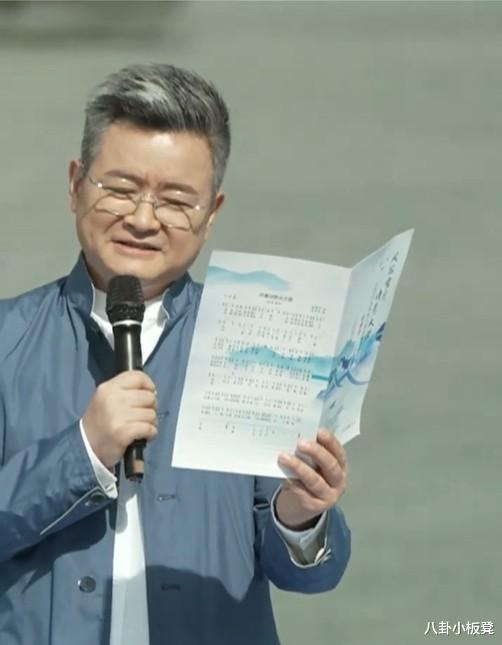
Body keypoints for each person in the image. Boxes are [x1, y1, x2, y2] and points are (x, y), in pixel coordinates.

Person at [0, 63, 351, 645]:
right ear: (75, 185)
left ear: (211, 214)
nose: (143, 219)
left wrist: (301, 515)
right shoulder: (7, 338)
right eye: (120, 189)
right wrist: (83, 452)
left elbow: (310, 575)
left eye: (175, 200)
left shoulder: (258, 340)